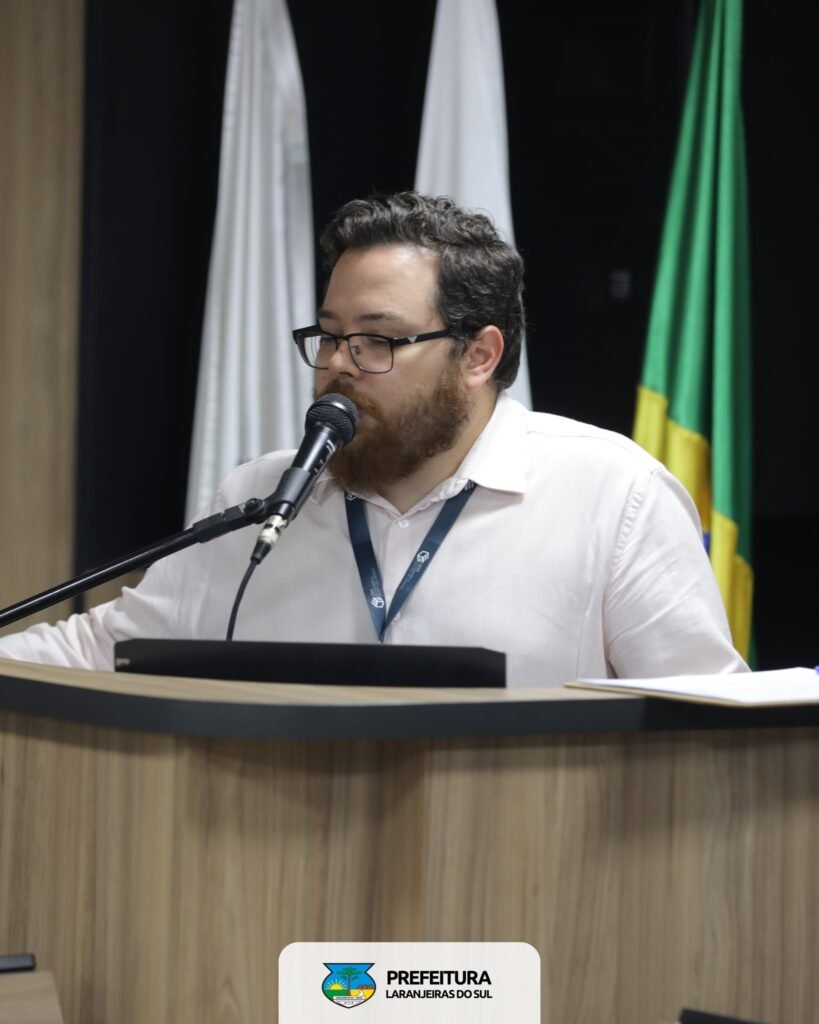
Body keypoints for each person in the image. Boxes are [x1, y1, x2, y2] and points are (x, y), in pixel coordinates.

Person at [0, 192, 747, 685]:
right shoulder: (259, 497)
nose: (337, 365)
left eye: (377, 341)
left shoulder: (612, 498)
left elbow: (702, 720)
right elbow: (99, 651)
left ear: (478, 355)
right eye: (329, 336)